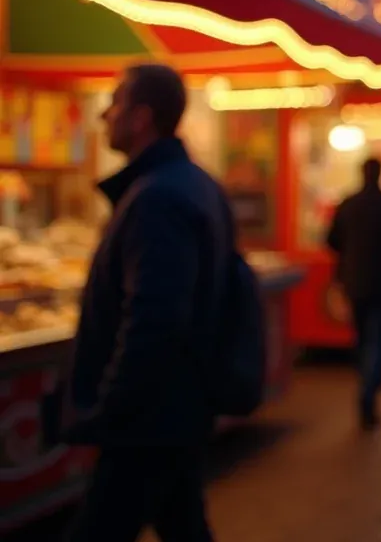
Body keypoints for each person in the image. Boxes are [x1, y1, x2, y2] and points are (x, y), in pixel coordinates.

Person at [64, 64, 230, 541]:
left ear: (140, 118)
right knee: (184, 524)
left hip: (148, 419)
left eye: (113, 103)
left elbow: (155, 319)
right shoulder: (192, 185)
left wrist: (112, 407)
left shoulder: (157, 197)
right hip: (177, 409)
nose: (104, 116)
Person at [326, 157, 381, 430]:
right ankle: (371, 384)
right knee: (377, 337)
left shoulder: (347, 204)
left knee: (362, 336)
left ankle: (367, 379)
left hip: (353, 283)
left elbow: (330, 240)